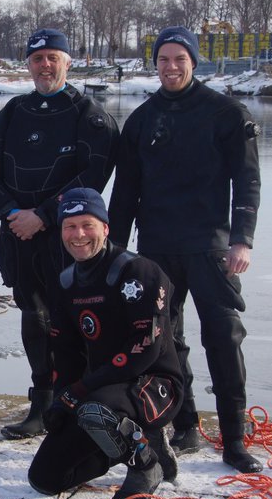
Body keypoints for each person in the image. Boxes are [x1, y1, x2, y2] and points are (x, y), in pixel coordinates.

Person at [107, 26, 263, 473]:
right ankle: (185, 422)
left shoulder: (225, 113)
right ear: (154, 64)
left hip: (211, 247)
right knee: (163, 343)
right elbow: (125, 193)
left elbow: (247, 181)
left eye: (179, 59)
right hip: (156, 248)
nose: (171, 67)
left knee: (223, 337)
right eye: (163, 60)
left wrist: (242, 240)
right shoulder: (141, 119)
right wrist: (116, 252)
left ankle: (234, 439)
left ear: (194, 62)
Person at [0, 28, 120, 440]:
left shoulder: (88, 114)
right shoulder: (15, 111)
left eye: (53, 57)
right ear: (29, 64)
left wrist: (42, 214)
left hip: (68, 236)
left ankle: (82, 402)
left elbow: (93, 175)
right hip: (19, 234)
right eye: (37, 59)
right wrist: (9, 213)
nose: (45, 65)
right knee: (34, 317)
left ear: (67, 62)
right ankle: (41, 403)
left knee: (77, 317)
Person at [27, 189, 181, 499]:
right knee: (44, 478)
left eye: (87, 225)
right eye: (70, 226)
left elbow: (144, 351)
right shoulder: (66, 283)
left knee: (95, 409)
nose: (78, 235)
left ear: (106, 228)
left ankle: (146, 466)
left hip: (154, 386)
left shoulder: (140, 273)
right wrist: (61, 398)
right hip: (101, 391)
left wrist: (81, 389)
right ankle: (125, 443)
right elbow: (66, 354)